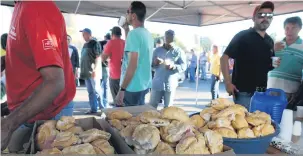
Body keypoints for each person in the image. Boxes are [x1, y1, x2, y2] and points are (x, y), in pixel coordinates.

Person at [1, 1, 76, 151]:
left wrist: (8, 125)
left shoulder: (37, 7)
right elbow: (29, 51)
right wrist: (7, 60)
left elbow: (55, 82)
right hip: (26, 113)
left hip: (46, 115)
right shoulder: (21, 4)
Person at [220, 1, 277, 109]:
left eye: (269, 15)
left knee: (258, 124)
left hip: (262, 92)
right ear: (254, 18)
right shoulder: (243, 36)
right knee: (243, 124)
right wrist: (227, 83)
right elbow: (224, 58)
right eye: (261, 15)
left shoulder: (269, 41)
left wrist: (274, 64)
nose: (265, 18)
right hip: (243, 92)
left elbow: (267, 66)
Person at [116, 1, 153, 106]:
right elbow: (133, 47)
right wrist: (126, 29)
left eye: (128, 11)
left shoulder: (134, 34)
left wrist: (122, 89)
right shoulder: (147, 34)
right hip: (143, 85)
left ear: (133, 16)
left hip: (131, 87)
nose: (126, 14)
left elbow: (133, 64)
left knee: (125, 120)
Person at [267, 16, 303, 106]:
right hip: (271, 87)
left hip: (291, 91)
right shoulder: (276, 44)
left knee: (287, 116)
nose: (289, 31)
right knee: (269, 117)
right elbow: (262, 59)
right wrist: (272, 50)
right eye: (287, 28)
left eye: (293, 28)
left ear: (300, 29)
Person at [150, 30, 186, 108]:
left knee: (168, 109)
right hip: (157, 83)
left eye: (171, 36)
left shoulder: (179, 51)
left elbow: (184, 66)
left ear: (173, 37)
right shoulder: (157, 50)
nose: (168, 38)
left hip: (170, 84)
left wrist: (174, 66)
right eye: (167, 36)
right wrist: (155, 63)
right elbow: (151, 66)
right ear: (164, 37)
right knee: (152, 107)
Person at [79, 28, 103, 113]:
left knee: (96, 91)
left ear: (89, 34)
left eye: (84, 34)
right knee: (90, 92)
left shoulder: (95, 43)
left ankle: (103, 109)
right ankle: (93, 109)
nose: (83, 36)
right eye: (82, 34)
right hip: (86, 73)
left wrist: (95, 70)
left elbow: (98, 58)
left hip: (93, 72)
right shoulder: (85, 45)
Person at [102, 26, 125, 103]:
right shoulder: (125, 42)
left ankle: (119, 112)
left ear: (112, 34)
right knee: (124, 99)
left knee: (117, 100)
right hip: (125, 75)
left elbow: (103, 58)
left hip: (115, 75)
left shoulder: (110, 43)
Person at [99, 33, 111, 107]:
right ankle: (105, 103)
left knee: (100, 86)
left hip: (99, 67)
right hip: (107, 67)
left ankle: (101, 104)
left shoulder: (100, 43)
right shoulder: (110, 44)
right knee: (106, 86)